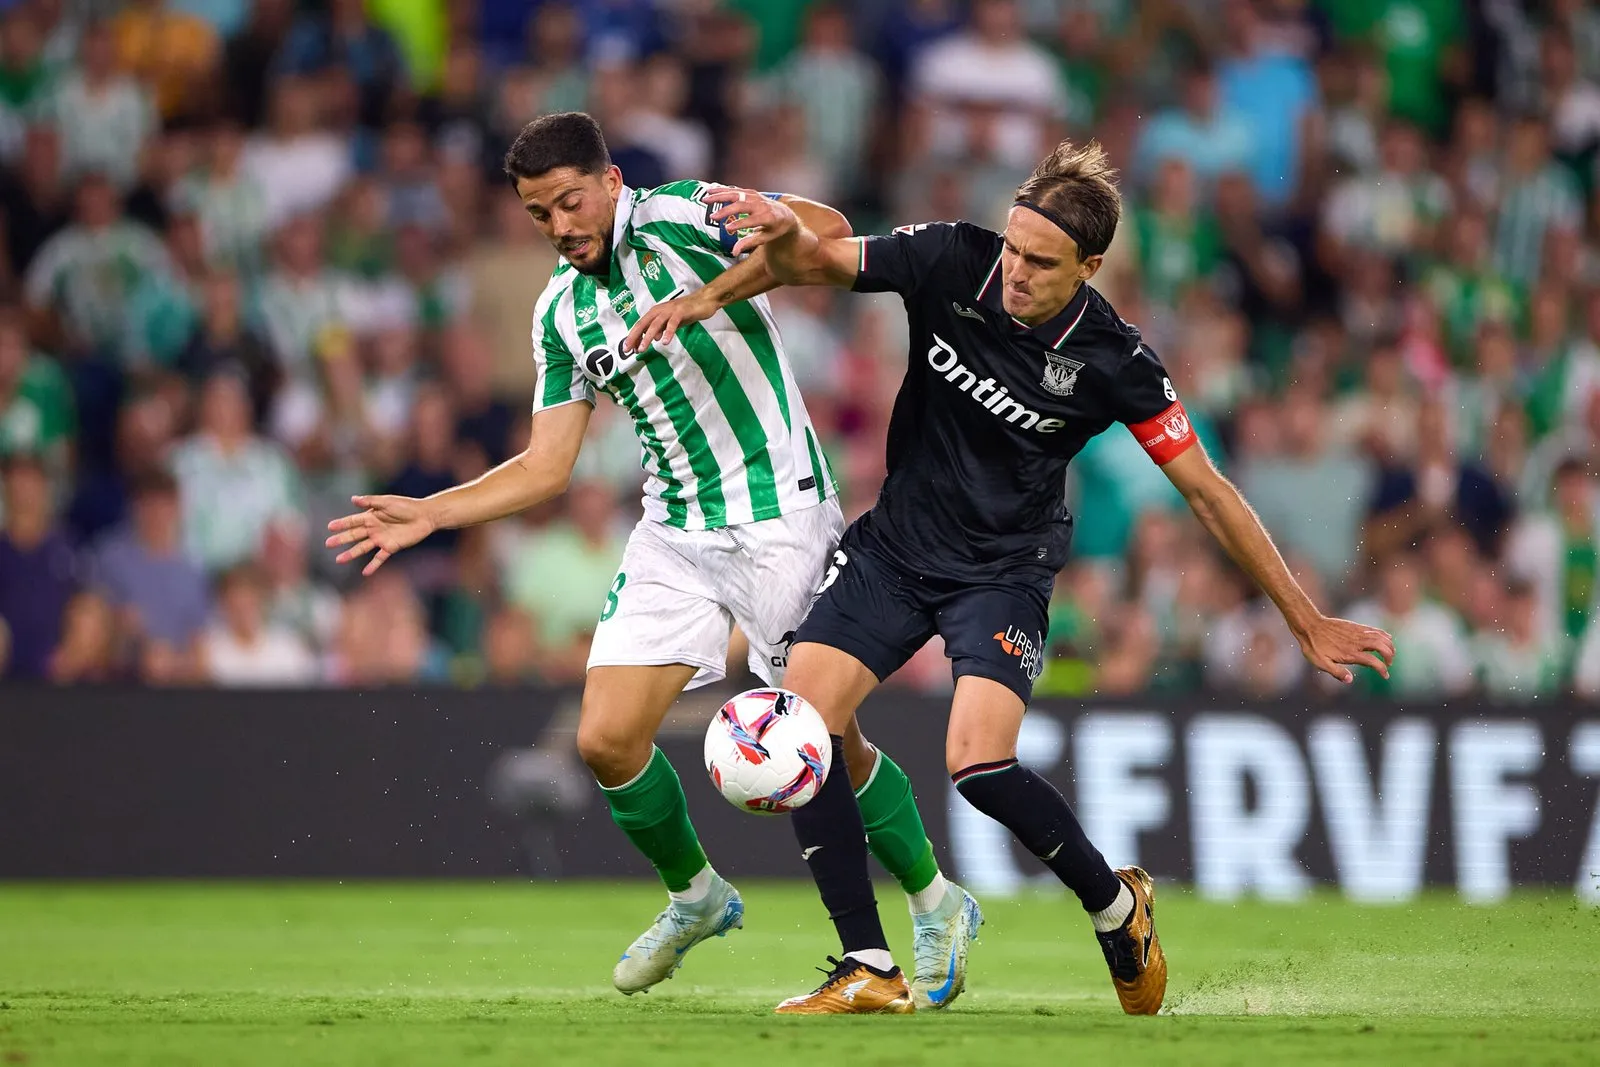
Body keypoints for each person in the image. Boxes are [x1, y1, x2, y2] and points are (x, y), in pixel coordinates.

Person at [697, 141, 1395, 1015]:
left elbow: (1208, 492)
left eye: (1040, 262)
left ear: (1091, 267)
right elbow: (819, 261)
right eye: (1013, 248)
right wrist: (786, 222)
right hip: (896, 550)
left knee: (978, 764)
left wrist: (1304, 617)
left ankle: (1115, 905)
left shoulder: (1116, 360)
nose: (1014, 273)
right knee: (803, 732)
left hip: (1002, 570)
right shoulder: (954, 257)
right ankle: (867, 963)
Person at [322, 113, 968, 1005]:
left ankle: (933, 904)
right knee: (605, 737)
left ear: (612, 181)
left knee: (823, 744)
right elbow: (550, 465)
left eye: (570, 201)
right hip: (672, 531)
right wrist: (435, 511)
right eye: (539, 212)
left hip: (779, 515)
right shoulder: (560, 311)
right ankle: (696, 895)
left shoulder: (681, 217)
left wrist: (743, 259)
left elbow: (823, 234)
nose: (559, 225)